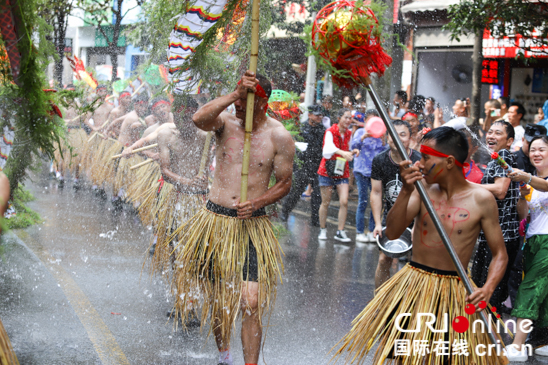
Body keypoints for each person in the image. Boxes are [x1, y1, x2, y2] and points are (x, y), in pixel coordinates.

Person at [333, 127, 508, 365]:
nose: (420, 163)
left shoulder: (481, 199)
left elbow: (500, 255)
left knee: (446, 358)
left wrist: (487, 289)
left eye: (425, 157)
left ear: (448, 162)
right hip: (414, 285)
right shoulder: (422, 190)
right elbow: (393, 234)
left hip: (454, 291)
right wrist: (405, 190)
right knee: (405, 357)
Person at [171, 71, 294, 365]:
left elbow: (284, 183)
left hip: (252, 226)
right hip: (216, 221)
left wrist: (258, 202)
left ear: (263, 103)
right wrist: (235, 94)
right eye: (236, 102)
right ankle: (224, 357)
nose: (238, 108)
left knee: (251, 301)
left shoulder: (279, 137)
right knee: (220, 299)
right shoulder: (225, 123)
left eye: (244, 103)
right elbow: (199, 119)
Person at [505, 135, 548, 361]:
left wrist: (527, 178)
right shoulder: (533, 181)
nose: (536, 153)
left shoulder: (537, 180)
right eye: (532, 150)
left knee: (530, 288)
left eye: (541, 149)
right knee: (544, 291)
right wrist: (522, 196)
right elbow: (525, 215)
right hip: (532, 241)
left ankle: (518, 345)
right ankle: (544, 341)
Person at [471, 120, 520, 312]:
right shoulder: (497, 157)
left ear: (509, 141)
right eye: (490, 132)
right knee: (482, 289)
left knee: (487, 294)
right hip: (495, 234)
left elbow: (500, 190)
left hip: (501, 236)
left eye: (498, 133)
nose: (491, 136)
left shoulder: (503, 155)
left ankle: (487, 337)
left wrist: (466, 185)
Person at [370, 120, 421, 288]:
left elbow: (427, 196)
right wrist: (377, 223)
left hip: (418, 217)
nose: (397, 138)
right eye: (393, 134)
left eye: (403, 134)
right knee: (384, 258)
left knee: (418, 264)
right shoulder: (380, 160)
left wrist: (417, 226)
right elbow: (377, 192)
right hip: (392, 217)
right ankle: (379, 302)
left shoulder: (419, 161)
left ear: (410, 138)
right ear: (387, 137)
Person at [317, 109, 359, 242]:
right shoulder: (330, 131)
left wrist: (353, 151)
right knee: (325, 202)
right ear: (339, 117)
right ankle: (323, 229)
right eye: (346, 117)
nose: (348, 120)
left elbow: (348, 149)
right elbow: (327, 149)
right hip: (327, 170)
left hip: (342, 170)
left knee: (344, 201)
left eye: (350, 118)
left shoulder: (348, 133)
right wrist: (342, 152)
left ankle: (340, 231)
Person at [280, 105, 325, 226]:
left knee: (317, 195)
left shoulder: (323, 129)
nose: (319, 117)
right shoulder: (302, 127)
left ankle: (315, 220)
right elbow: (294, 144)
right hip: (303, 165)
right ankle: (285, 212)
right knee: (296, 191)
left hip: (316, 164)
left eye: (320, 115)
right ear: (309, 115)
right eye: (316, 115)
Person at [351, 110, 386, 243]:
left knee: (375, 203)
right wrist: (362, 138)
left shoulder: (380, 134)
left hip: (375, 173)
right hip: (361, 171)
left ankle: (372, 230)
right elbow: (353, 147)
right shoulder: (360, 132)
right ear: (366, 121)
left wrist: (383, 141)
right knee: (363, 201)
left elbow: (384, 153)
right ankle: (359, 231)